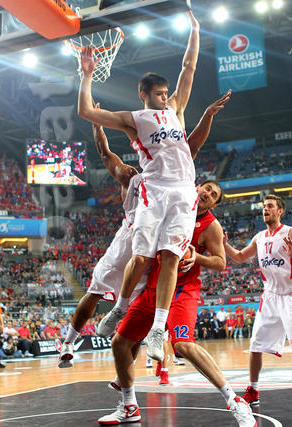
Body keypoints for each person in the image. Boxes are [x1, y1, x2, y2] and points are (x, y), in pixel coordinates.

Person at [59, 91, 231, 367]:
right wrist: (98, 127)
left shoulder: (180, 194)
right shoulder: (132, 177)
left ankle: (125, 370)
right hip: (130, 239)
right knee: (96, 291)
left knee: (135, 314)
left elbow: (191, 144)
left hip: (150, 247)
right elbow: (105, 154)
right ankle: (69, 340)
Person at [79, 11, 204, 362]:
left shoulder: (176, 108)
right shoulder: (133, 119)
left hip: (184, 191)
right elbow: (86, 111)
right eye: (159, 94)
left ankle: (158, 329)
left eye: (166, 93)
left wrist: (195, 29)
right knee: (142, 255)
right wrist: (87, 75)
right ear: (144, 94)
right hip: (155, 189)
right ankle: (120, 307)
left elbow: (189, 67)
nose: (165, 98)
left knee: (171, 258)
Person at [99, 181, 256, 426]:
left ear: (214, 204)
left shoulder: (211, 226)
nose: (207, 193)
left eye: (213, 194)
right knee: (119, 343)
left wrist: (197, 256)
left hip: (182, 291)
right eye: (207, 188)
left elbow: (221, 262)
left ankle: (235, 401)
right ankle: (129, 406)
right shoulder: (171, 205)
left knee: (182, 344)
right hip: (154, 287)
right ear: (197, 187)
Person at [223, 194, 292, 410]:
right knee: (255, 345)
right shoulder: (259, 237)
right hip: (270, 297)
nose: (265, 210)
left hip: (291, 295)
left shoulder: (291, 233)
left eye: (270, 206)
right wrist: (225, 245)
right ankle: (253, 391)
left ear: (280, 211)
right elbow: (239, 256)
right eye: (264, 207)